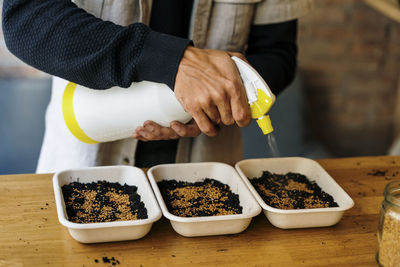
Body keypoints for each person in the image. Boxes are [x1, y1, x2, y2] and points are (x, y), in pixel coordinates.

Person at [2, 0, 313, 173]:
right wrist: (174, 61)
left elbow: (278, 54)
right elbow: (26, 18)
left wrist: (215, 105)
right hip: (87, 155)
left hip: (207, 168)